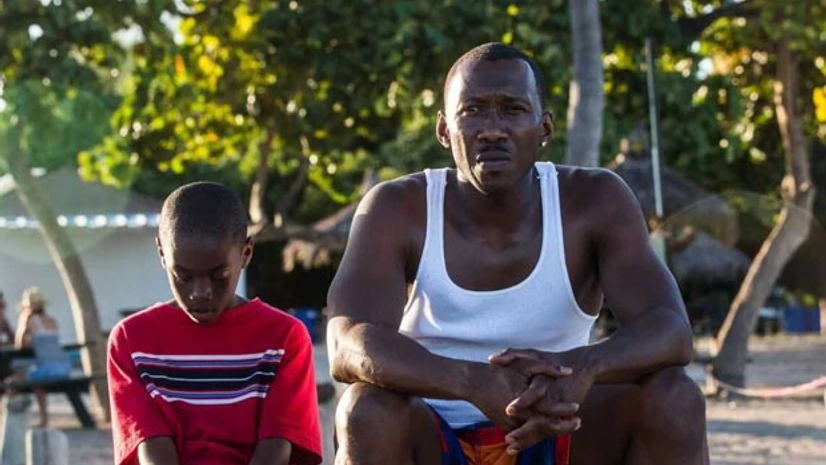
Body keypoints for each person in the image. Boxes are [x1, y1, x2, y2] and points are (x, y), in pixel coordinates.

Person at [327, 43, 708, 465]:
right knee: (365, 409)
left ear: (545, 128)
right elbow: (346, 345)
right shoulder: (397, 208)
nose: (492, 129)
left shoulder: (594, 200)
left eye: (512, 109)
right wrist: (470, 381)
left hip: (561, 428)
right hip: (435, 435)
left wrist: (581, 368)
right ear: (443, 130)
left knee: (676, 397)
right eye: (472, 111)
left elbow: (672, 330)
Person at [107, 182, 322, 465]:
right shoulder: (131, 340)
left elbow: (276, 448)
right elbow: (153, 449)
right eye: (183, 276)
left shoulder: (283, 337)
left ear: (246, 254)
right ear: (161, 254)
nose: (200, 292)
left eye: (219, 275)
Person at [14, 286, 71, 427]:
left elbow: (19, 344)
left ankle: (24, 421)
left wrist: (22, 323)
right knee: (35, 379)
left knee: (13, 382)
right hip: (65, 366)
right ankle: (43, 418)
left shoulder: (30, 320)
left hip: (48, 368)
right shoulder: (52, 320)